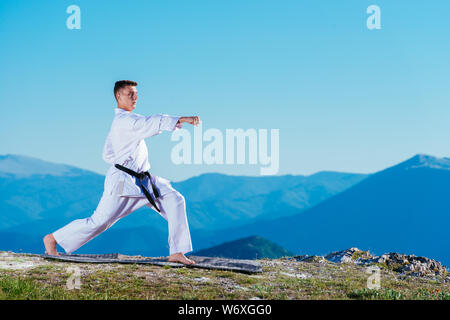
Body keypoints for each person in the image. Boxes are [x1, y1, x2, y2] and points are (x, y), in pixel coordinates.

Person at [43, 80, 200, 265]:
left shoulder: (126, 121)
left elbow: (108, 152)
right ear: (118, 96)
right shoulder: (124, 121)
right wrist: (182, 119)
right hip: (123, 183)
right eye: (130, 94)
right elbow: (150, 122)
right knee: (99, 222)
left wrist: (122, 160)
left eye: (136, 94)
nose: (135, 98)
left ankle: (177, 251)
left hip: (144, 179)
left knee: (175, 199)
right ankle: (52, 239)